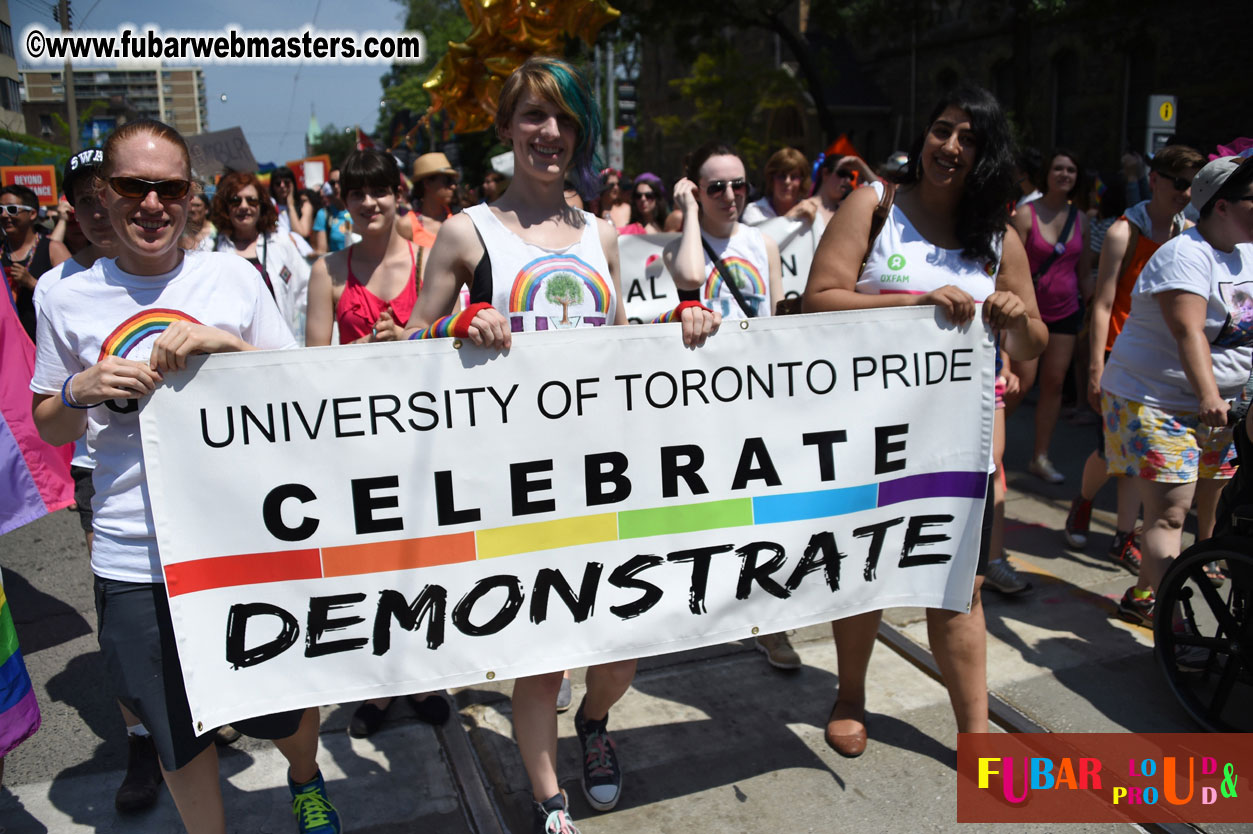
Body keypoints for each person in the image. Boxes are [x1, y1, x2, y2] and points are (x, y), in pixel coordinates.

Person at [403, 56, 717, 834]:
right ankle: (550, 804)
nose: (549, 133)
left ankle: (597, 724)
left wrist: (672, 328)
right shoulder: (464, 231)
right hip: (514, 483)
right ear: (507, 127)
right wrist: (455, 325)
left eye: (564, 120)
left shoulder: (603, 236)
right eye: (534, 117)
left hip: (605, 475)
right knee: (541, 659)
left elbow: (609, 350)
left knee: (621, 652)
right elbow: (404, 347)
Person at [30, 118, 339, 834]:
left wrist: (226, 345)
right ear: (103, 194)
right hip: (132, 548)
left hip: (242, 535)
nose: (151, 204)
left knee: (282, 698)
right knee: (172, 723)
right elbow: (50, 424)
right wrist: (79, 388)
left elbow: (297, 396)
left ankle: (304, 774)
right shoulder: (62, 293)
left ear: (188, 194)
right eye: (133, 186)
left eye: (167, 187)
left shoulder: (231, 276)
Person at [802, 84, 1047, 755]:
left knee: (959, 587)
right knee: (864, 568)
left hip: (956, 450)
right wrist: (914, 303)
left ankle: (975, 734)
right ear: (923, 135)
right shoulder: (874, 204)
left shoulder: (999, 238)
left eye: (968, 138)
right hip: (866, 432)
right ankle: (849, 694)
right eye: (942, 130)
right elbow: (816, 300)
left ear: (986, 156)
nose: (950, 146)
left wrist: (1013, 318)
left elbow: (1034, 345)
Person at [1100, 154, 1253, 625]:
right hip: (1155, 401)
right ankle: (1169, 618)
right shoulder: (1183, 255)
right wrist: (1208, 396)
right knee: (1170, 516)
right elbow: (1188, 332)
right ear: (1222, 206)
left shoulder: (1248, 251)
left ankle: (1145, 594)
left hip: (1225, 406)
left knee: (1205, 506)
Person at [1064, 145, 1204, 567]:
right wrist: (1094, 368)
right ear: (1156, 180)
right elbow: (1103, 303)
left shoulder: (1189, 232)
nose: (1185, 193)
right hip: (1118, 355)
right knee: (1112, 454)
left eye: (1193, 185)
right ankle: (1084, 500)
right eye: (1179, 183)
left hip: (1162, 359)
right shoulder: (1124, 232)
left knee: (1139, 457)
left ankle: (1124, 537)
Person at [1006, 149, 1091, 484]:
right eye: (1058, 168)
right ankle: (989, 444)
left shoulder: (1081, 219)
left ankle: (1040, 456)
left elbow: (1084, 272)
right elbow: (1009, 268)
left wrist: (1096, 306)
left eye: (1071, 170)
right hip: (1027, 314)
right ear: (1047, 173)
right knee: (1021, 384)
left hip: (1067, 313)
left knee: (1054, 384)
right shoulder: (1025, 215)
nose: (1065, 175)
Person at [664, 141, 784, 322]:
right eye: (716, 188)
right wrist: (689, 209)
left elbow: (779, 318)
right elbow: (691, 278)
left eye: (738, 185)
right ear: (696, 193)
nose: (729, 196)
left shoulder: (765, 245)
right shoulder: (676, 251)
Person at [211, 171, 311, 343]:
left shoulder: (281, 244)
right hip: (232, 353)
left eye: (252, 200)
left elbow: (307, 292)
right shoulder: (212, 250)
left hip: (279, 349)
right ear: (226, 207)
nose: (244, 206)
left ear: (261, 205)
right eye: (236, 200)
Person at [2, 184, 70, 340]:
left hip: (42, 343)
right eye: (1, 210)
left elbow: (73, 296)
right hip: (7, 343)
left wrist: (32, 283)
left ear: (32, 214)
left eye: (12, 209)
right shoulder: (2, 251)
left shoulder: (53, 249)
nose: (5, 215)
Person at [399, 152, 458, 249]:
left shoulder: (458, 218)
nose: (453, 186)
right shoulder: (406, 225)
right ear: (427, 184)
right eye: (447, 181)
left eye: (453, 181)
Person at [740, 148, 809, 224]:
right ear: (771, 179)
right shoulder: (755, 211)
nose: (787, 181)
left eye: (794, 177)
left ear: (802, 181)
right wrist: (792, 215)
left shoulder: (808, 210)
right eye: (781, 176)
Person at [269, 166, 315, 254]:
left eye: (286, 183)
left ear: (293, 184)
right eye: (278, 183)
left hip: (302, 255)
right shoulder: (270, 206)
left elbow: (302, 232)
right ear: (273, 186)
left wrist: (290, 205)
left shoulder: (304, 204)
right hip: (279, 253)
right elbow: (274, 226)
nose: (282, 186)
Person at [313, 170, 352, 255]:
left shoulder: (359, 209)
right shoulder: (323, 214)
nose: (336, 186)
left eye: (340, 182)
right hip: (337, 266)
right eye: (332, 183)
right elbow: (322, 252)